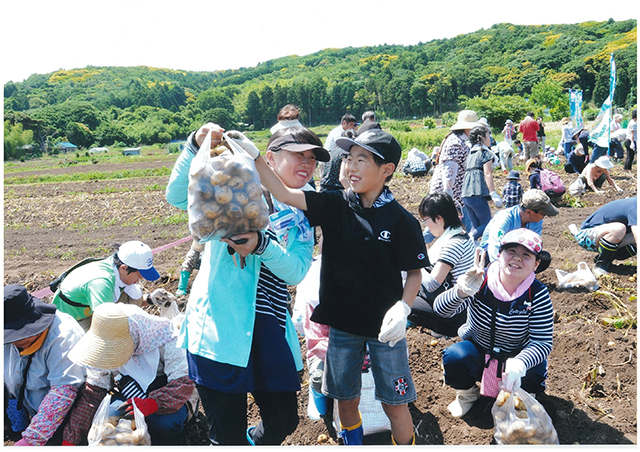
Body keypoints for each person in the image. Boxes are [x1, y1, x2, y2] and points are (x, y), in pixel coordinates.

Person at [242, 127, 427, 445]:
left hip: (386, 329)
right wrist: (256, 156)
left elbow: (414, 273)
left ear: (387, 170)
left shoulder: (401, 221)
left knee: (395, 403)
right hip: (342, 327)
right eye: (349, 159)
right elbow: (285, 193)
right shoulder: (334, 204)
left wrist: (403, 306)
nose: (351, 167)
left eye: (362, 160)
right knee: (346, 398)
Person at [165, 123, 330, 445]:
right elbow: (175, 196)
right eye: (298, 156)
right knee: (226, 437)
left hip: (268, 329)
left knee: (283, 420)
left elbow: (296, 271)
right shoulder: (232, 183)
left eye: (313, 159)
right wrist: (193, 146)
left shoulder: (304, 211)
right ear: (268, 157)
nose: (307, 164)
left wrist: (262, 246)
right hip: (219, 330)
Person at [434, 229, 553, 417]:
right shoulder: (479, 279)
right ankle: (467, 395)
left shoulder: (537, 293)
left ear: (536, 264)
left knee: (534, 370)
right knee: (456, 356)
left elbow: (542, 342)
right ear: (500, 254)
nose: (517, 258)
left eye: (526, 255)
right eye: (511, 251)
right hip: (480, 349)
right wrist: (461, 291)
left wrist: (520, 363)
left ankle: (522, 398)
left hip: (516, 355)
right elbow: (441, 310)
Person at [63, 303, 198, 445]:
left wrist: (153, 403)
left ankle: (172, 439)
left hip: (169, 395)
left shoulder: (166, 337)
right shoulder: (103, 349)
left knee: (163, 423)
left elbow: (184, 383)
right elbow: (92, 394)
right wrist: (71, 439)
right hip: (131, 391)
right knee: (111, 416)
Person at [4, 285, 85, 446]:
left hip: (63, 417)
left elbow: (63, 392)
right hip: (31, 409)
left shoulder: (63, 335)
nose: (14, 341)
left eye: (19, 335)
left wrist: (32, 437)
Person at [51, 240, 161, 331]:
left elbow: (128, 301)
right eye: (139, 274)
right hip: (69, 322)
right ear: (124, 268)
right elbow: (106, 322)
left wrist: (151, 299)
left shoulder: (115, 269)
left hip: (89, 309)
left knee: (133, 294)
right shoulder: (101, 283)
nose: (142, 278)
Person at [407, 192, 475, 337]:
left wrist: (414, 264)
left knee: (401, 301)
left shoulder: (453, 244)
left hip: (453, 314)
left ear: (438, 219)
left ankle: (443, 331)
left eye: (425, 220)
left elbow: (432, 284)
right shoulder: (462, 235)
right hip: (460, 308)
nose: (426, 226)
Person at [430, 109, 482, 233]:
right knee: (438, 226)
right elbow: (449, 170)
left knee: (450, 225)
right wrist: (448, 197)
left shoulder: (458, 140)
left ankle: (469, 245)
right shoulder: (456, 143)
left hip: (457, 195)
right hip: (450, 194)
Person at [479, 189, 559, 263]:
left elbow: (535, 246)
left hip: (515, 252)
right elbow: (494, 246)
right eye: (543, 214)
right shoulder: (504, 218)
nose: (544, 217)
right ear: (529, 213)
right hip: (490, 256)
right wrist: (500, 269)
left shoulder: (536, 221)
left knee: (543, 258)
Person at [571, 197, 637, 277]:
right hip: (586, 236)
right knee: (618, 229)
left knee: (621, 231)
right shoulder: (635, 208)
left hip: (607, 236)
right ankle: (601, 263)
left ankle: (608, 257)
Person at [461, 126, 503, 241]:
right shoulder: (484, 153)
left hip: (465, 193)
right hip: (476, 192)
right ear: (482, 138)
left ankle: (473, 248)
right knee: (488, 225)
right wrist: (493, 193)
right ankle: (467, 241)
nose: (490, 138)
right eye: (488, 135)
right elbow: (487, 173)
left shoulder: (471, 153)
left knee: (477, 226)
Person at [320, 114, 357, 191]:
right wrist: (353, 194)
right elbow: (342, 178)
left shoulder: (334, 151)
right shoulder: (345, 153)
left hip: (324, 185)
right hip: (335, 188)